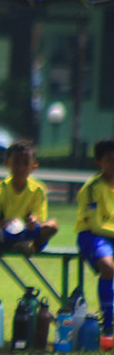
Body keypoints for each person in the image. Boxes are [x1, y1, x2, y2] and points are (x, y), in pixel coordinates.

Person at [74, 138, 114, 340]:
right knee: (108, 266)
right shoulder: (92, 188)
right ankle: (108, 325)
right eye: (110, 159)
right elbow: (96, 226)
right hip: (92, 236)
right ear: (99, 162)